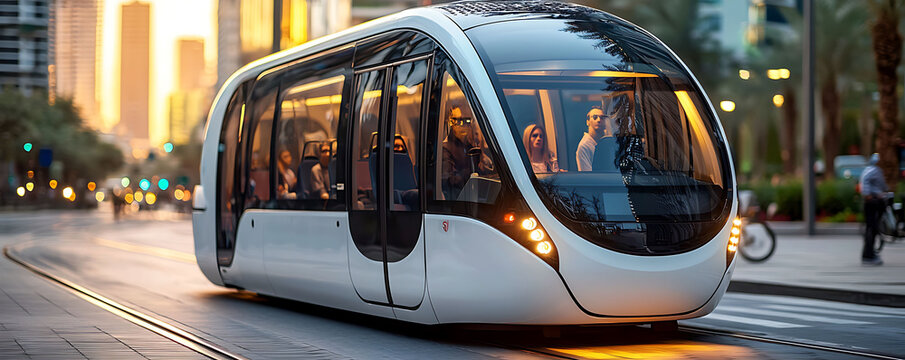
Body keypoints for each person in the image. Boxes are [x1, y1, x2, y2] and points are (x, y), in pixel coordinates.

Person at [441, 103, 492, 199]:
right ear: (450, 123)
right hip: (457, 201)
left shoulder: (470, 146)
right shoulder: (446, 148)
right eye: (458, 121)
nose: (463, 125)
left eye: (466, 121)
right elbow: (448, 180)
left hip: (474, 197)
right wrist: (472, 172)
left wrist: (483, 164)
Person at [859, 153, 888, 266]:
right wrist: (868, 195)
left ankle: (869, 254)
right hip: (873, 202)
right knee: (872, 228)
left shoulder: (870, 169)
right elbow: (867, 182)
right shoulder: (874, 170)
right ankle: (869, 255)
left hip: (872, 202)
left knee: (871, 228)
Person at [576, 105, 610, 171]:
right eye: (595, 117)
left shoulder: (606, 141)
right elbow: (587, 175)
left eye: (602, 117)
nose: (599, 120)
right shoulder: (584, 146)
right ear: (587, 122)